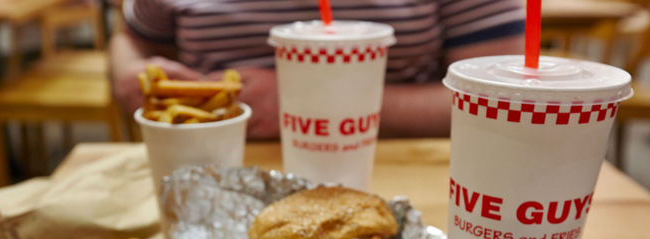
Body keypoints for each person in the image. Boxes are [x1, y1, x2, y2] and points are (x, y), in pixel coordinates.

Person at [110, 0, 525, 139]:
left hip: (396, 163)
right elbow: (131, 38)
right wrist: (131, 71)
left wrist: (318, 103)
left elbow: (505, 98)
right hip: (203, 166)